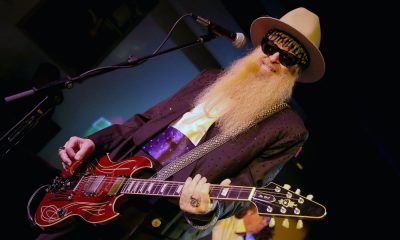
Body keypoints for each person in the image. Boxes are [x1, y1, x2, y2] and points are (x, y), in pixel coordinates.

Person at [36, 7, 325, 240]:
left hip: (155, 206)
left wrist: (206, 211)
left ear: (296, 72)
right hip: (108, 172)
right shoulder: (210, 77)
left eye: (286, 57)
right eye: (269, 46)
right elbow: (144, 120)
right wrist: (95, 141)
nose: (272, 57)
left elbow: (245, 186)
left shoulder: (288, 128)